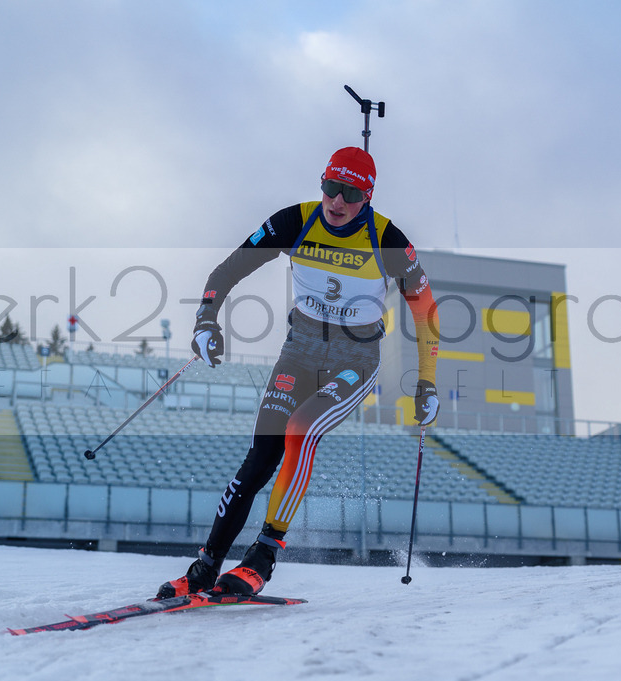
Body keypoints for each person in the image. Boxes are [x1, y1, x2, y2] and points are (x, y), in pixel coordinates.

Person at [157, 146, 441, 598]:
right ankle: (205, 567)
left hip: (354, 360)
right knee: (259, 459)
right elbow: (227, 271)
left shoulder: (387, 239)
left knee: (300, 430)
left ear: (367, 197)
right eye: (331, 187)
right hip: (299, 352)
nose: (338, 201)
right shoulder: (296, 221)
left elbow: (426, 311)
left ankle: (262, 557)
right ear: (322, 183)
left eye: (351, 194)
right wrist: (205, 321)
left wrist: (427, 381)